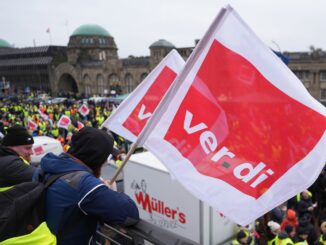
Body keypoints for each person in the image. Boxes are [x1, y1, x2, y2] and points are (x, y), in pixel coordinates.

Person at [41, 126, 139, 244]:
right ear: (96, 158)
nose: (105, 162)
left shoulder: (46, 166)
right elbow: (130, 214)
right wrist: (110, 192)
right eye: (104, 158)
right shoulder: (84, 185)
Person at [0, 125, 35, 190]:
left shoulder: (5, 157)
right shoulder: (10, 163)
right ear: (11, 147)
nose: (31, 152)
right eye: (28, 148)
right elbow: (39, 174)